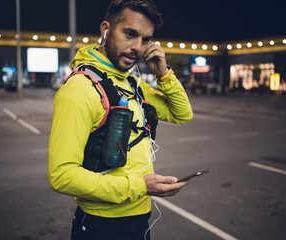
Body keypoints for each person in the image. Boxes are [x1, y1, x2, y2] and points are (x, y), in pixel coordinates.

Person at [48, 0, 193, 239]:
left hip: (139, 219)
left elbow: (182, 114)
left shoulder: (131, 83)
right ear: (105, 29)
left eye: (145, 39)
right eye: (130, 34)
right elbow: (62, 176)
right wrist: (140, 186)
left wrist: (163, 74)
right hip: (102, 226)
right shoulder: (79, 90)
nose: (137, 47)